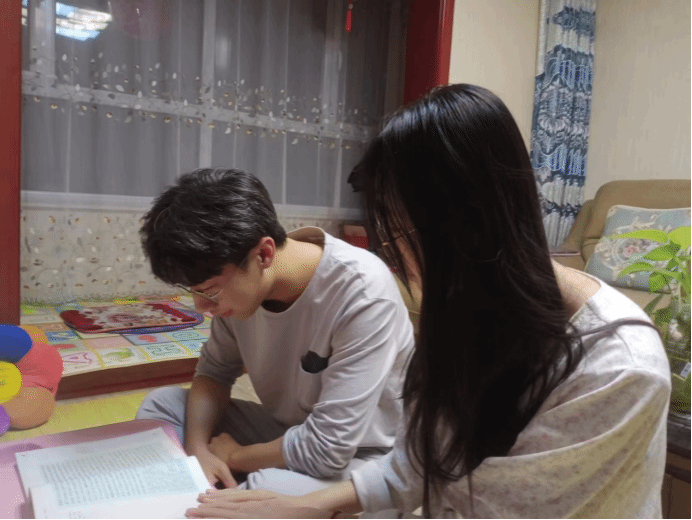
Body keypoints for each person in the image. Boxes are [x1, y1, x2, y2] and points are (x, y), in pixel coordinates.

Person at [183, 84, 672, 518]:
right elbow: (416, 467)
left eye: (400, 238)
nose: (402, 266)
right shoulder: (469, 317)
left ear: (468, 226)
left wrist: (279, 491)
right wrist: (303, 506)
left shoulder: (617, 370)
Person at [135, 168, 415, 494]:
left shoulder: (362, 292)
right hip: (289, 433)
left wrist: (235, 456)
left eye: (210, 291)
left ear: (264, 254)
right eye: (194, 292)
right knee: (164, 404)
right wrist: (198, 451)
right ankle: (202, 490)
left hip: (364, 457)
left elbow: (328, 450)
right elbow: (214, 373)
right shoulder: (241, 291)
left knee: (264, 488)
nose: (202, 307)